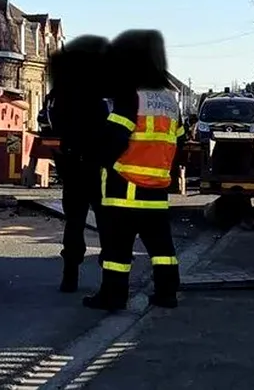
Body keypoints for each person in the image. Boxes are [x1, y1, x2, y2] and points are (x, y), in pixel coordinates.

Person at [82, 29, 184, 312]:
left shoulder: (130, 95)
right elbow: (179, 142)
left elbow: (115, 137)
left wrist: (97, 159)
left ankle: (113, 297)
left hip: (125, 187)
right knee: (162, 248)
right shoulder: (169, 100)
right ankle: (167, 294)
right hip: (157, 188)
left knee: (117, 250)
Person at [43, 34, 113, 293]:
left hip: (72, 165)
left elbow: (51, 123)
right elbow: (109, 126)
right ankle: (109, 275)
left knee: (74, 222)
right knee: (105, 221)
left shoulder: (60, 94)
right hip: (96, 166)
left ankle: (70, 275)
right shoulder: (98, 95)